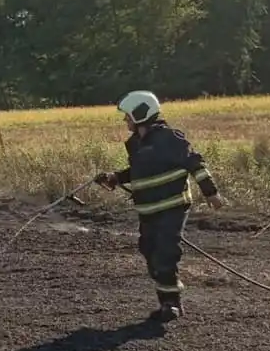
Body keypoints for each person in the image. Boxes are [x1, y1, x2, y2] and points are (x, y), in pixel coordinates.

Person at [94, 90, 227, 321]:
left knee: (166, 253)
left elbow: (194, 163)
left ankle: (171, 305)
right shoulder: (135, 144)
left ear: (140, 113)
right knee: (150, 252)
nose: (125, 120)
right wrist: (115, 178)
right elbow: (138, 172)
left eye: (127, 116)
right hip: (148, 211)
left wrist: (211, 193)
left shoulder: (169, 138)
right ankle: (165, 300)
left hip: (172, 208)